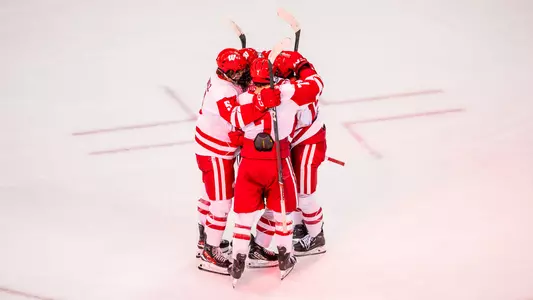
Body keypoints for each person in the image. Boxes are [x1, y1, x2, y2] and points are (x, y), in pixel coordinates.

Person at [228, 54, 324, 284]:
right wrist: (300, 66)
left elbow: (233, 120)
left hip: (249, 163)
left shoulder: (242, 98)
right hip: (277, 162)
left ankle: (237, 261)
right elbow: (316, 87)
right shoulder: (289, 94)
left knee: (243, 217)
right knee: (283, 212)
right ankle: (285, 257)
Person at [195, 48, 275, 275]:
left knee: (209, 196)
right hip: (216, 151)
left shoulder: (223, 76)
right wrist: (260, 103)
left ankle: (206, 239)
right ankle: (210, 251)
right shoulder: (222, 90)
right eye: (239, 72)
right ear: (227, 73)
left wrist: (263, 56)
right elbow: (236, 117)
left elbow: (247, 65)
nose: (244, 75)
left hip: (211, 146)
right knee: (221, 203)